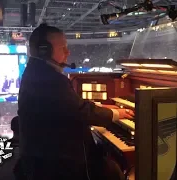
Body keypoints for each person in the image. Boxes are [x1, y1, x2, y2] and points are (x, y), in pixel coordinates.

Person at [16, 23, 134, 180]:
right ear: (44, 50)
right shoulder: (50, 79)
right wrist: (117, 113)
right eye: (63, 48)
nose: (68, 52)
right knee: (113, 171)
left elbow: (69, 105)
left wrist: (98, 107)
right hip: (56, 166)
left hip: (41, 158)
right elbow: (81, 111)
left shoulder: (37, 72)